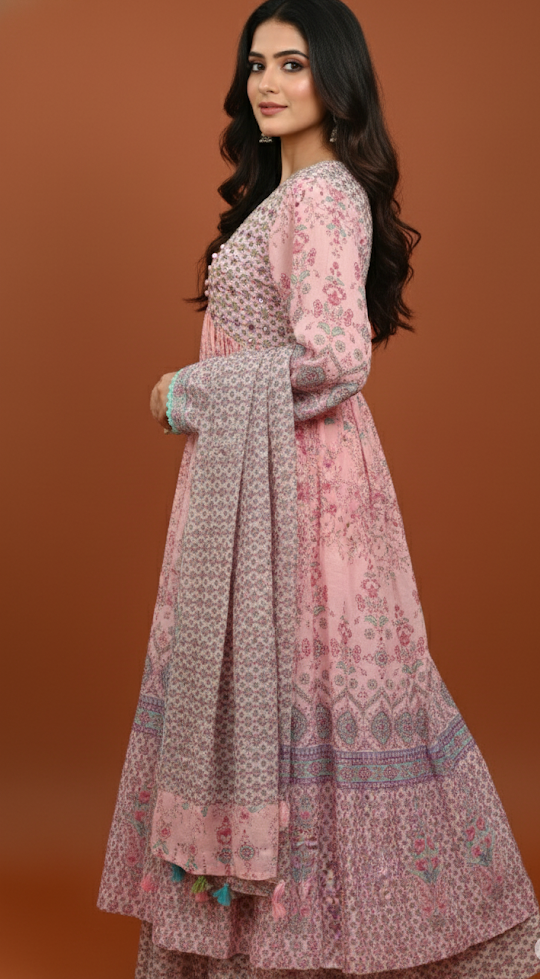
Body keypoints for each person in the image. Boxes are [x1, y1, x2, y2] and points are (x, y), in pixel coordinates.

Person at [98, 1, 540, 976]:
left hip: (300, 495)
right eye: (257, 63)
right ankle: (266, 948)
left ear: (335, 80)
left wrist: (188, 392)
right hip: (260, 480)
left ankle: (418, 940)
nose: (267, 82)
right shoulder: (289, 196)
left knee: (322, 704)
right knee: (290, 707)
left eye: (292, 64)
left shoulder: (324, 197)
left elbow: (336, 357)